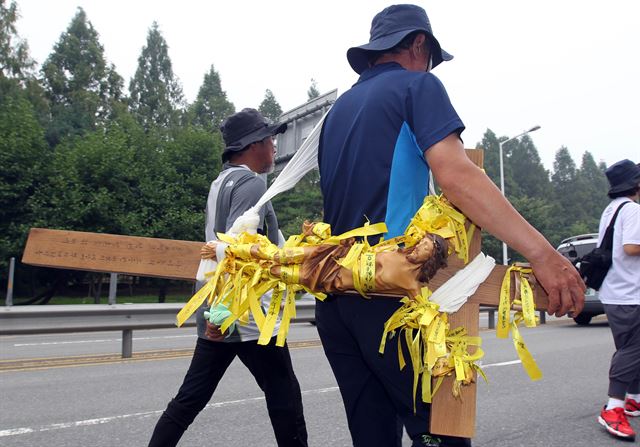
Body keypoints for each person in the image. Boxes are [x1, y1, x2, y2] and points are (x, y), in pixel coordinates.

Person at [316, 4, 585, 447]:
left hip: (336, 295)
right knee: (440, 433)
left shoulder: (339, 110)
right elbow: (457, 176)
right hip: (393, 300)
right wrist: (542, 254)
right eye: (431, 57)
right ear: (419, 45)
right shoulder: (417, 86)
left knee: (371, 435)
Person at [148, 108, 308, 447]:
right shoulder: (251, 183)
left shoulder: (221, 182)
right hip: (245, 317)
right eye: (269, 140)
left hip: (218, 307)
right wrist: (225, 317)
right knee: (285, 398)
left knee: (190, 399)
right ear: (253, 146)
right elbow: (236, 247)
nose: (275, 146)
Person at [595, 159, 640, 441]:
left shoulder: (613, 209)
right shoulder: (633, 209)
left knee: (632, 347)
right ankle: (613, 408)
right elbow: (632, 247)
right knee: (632, 349)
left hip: (616, 290)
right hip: (630, 292)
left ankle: (633, 398)